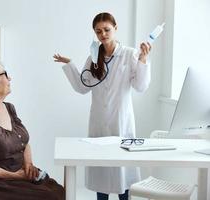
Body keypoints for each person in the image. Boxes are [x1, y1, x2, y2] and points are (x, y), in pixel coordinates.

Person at [53, 12, 151, 200]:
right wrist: (70, 64)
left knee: (123, 173)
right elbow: (83, 86)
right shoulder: (93, 57)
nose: (103, 34)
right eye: (98, 31)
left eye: (106, 29)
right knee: (103, 172)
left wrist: (143, 60)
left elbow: (140, 86)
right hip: (99, 122)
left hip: (121, 121)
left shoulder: (130, 54)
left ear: (115, 28)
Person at [0, 58, 65, 200]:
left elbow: (23, 141)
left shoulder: (8, 107)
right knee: (50, 197)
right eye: (5, 74)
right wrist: (14, 175)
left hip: (19, 174)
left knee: (59, 192)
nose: (10, 78)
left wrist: (28, 164)